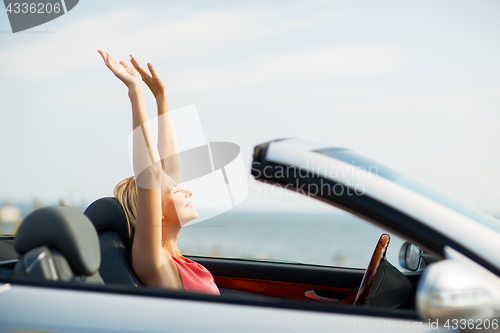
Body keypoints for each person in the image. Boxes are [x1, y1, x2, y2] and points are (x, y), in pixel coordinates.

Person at [98, 50, 219, 296]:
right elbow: (151, 176)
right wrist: (136, 92)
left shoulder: (177, 260)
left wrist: (161, 98)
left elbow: (169, 169)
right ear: (156, 211)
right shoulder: (155, 263)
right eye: (174, 190)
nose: (186, 189)